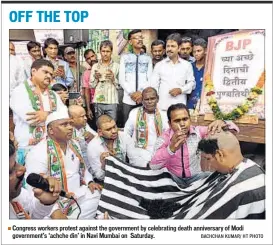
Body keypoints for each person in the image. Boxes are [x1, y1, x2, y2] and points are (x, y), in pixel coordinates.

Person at [25, 110, 101, 219]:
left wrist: (89, 181)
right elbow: (34, 190)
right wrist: (55, 212)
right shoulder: (38, 152)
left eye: (70, 123)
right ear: (51, 130)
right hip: (53, 204)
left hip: (76, 195)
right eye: (64, 124)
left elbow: (83, 169)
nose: (70, 127)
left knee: (97, 195)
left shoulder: (74, 144)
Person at [150, 103, 239, 186]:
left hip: (195, 177)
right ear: (169, 124)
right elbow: (153, 166)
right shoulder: (164, 138)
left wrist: (223, 123)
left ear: (190, 119)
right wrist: (171, 149)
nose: (182, 124)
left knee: (220, 178)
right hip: (173, 179)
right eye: (177, 121)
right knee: (159, 179)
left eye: (185, 119)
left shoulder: (198, 132)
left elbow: (234, 131)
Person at [196, 130, 265, 219]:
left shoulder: (239, 189)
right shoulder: (249, 165)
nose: (210, 165)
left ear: (220, 155)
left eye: (208, 159)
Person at [10, 59, 67, 165]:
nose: (49, 76)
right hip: (28, 146)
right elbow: (32, 119)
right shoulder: (19, 91)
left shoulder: (53, 94)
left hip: (51, 145)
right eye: (45, 72)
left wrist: (46, 114)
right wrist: (54, 115)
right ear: (34, 71)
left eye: (51, 74)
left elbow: (64, 115)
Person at [87, 115, 151, 182]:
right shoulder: (93, 146)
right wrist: (103, 165)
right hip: (107, 180)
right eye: (108, 129)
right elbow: (99, 177)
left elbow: (134, 160)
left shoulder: (124, 136)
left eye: (114, 126)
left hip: (125, 174)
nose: (114, 131)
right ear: (100, 132)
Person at [9, 139, 62, 219]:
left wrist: (45, 203)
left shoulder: (19, 195)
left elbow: (32, 214)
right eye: (10, 171)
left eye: (16, 163)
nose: (23, 169)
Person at [150, 33, 195, 111]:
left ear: (179, 48)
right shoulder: (159, 65)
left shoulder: (187, 65)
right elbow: (153, 86)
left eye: (173, 46)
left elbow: (192, 83)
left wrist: (181, 90)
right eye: (168, 46)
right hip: (162, 108)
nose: (169, 49)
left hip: (180, 108)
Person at [119, 29, 153, 125]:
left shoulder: (147, 58)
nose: (139, 40)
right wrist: (132, 93)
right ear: (130, 41)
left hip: (143, 99)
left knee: (143, 126)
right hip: (128, 99)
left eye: (141, 37)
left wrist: (141, 93)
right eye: (136, 37)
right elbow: (122, 79)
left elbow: (149, 78)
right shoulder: (125, 58)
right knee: (128, 127)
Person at [124, 87, 168, 155]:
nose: (150, 102)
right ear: (142, 100)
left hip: (159, 153)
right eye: (146, 99)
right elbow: (127, 133)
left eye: (152, 98)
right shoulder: (134, 113)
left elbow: (167, 135)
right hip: (138, 153)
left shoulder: (164, 115)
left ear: (157, 99)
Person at [90, 40, 119, 121]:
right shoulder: (95, 66)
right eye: (103, 51)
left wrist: (113, 79)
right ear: (100, 51)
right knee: (100, 126)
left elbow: (120, 86)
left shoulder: (117, 66)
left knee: (112, 124)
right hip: (98, 101)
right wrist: (96, 78)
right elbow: (91, 85)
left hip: (112, 101)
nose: (105, 53)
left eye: (108, 51)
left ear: (111, 52)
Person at [68, 105, 97, 176]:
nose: (86, 118)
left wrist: (92, 137)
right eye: (82, 116)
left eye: (85, 116)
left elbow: (98, 138)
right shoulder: (66, 129)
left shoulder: (85, 125)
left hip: (88, 160)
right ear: (71, 119)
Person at [187, 38, 207, 110]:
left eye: (199, 51)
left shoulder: (210, 66)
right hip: (190, 105)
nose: (196, 54)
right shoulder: (189, 67)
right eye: (194, 52)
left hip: (206, 105)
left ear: (205, 50)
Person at [81, 48, 98, 127]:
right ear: (86, 61)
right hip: (93, 104)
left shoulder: (106, 67)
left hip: (107, 103)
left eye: (92, 56)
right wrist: (88, 109)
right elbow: (86, 91)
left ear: (96, 55)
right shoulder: (86, 73)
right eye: (88, 58)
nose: (91, 59)